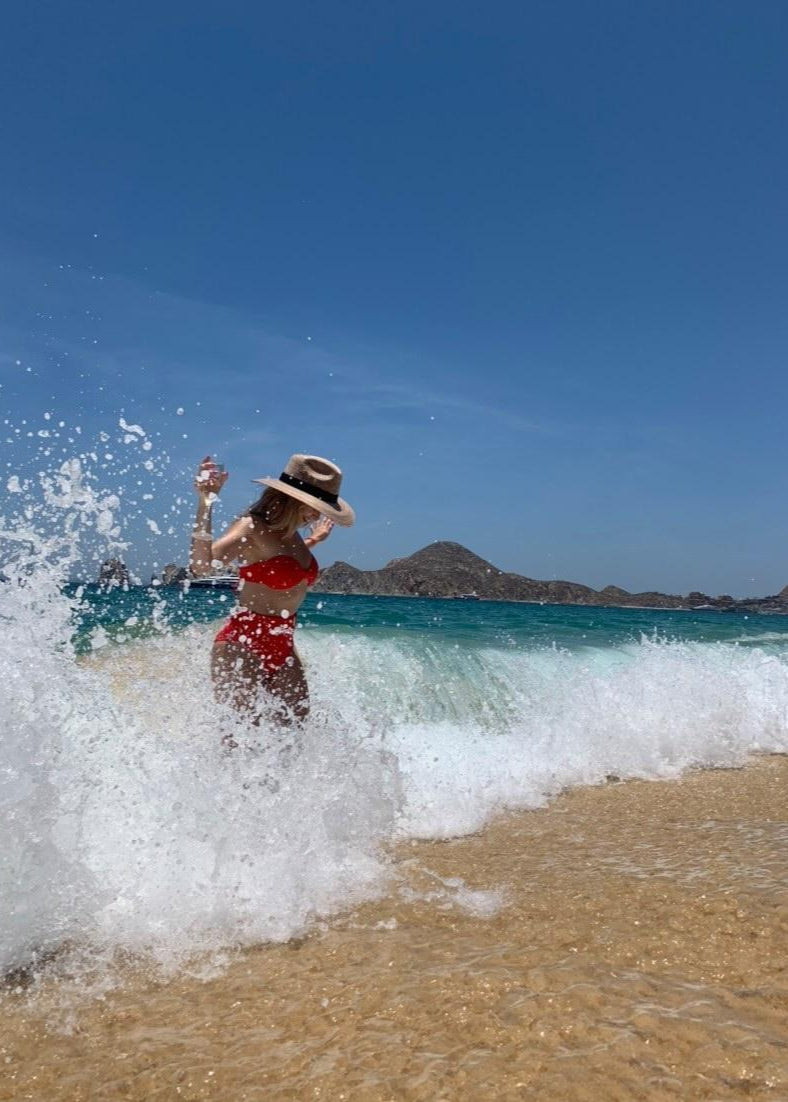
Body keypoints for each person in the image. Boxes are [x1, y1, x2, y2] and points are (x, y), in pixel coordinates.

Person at [190, 453, 355, 726]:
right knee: (241, 739)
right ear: (292, 498)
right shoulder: (251, 526)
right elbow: (201, 566)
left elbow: (279, 566)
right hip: (242, 642)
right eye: (314, 506)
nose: (316, 514)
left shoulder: (294, 535)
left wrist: (314, 540)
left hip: (284, 643)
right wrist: (205, 502)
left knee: (294, 735)